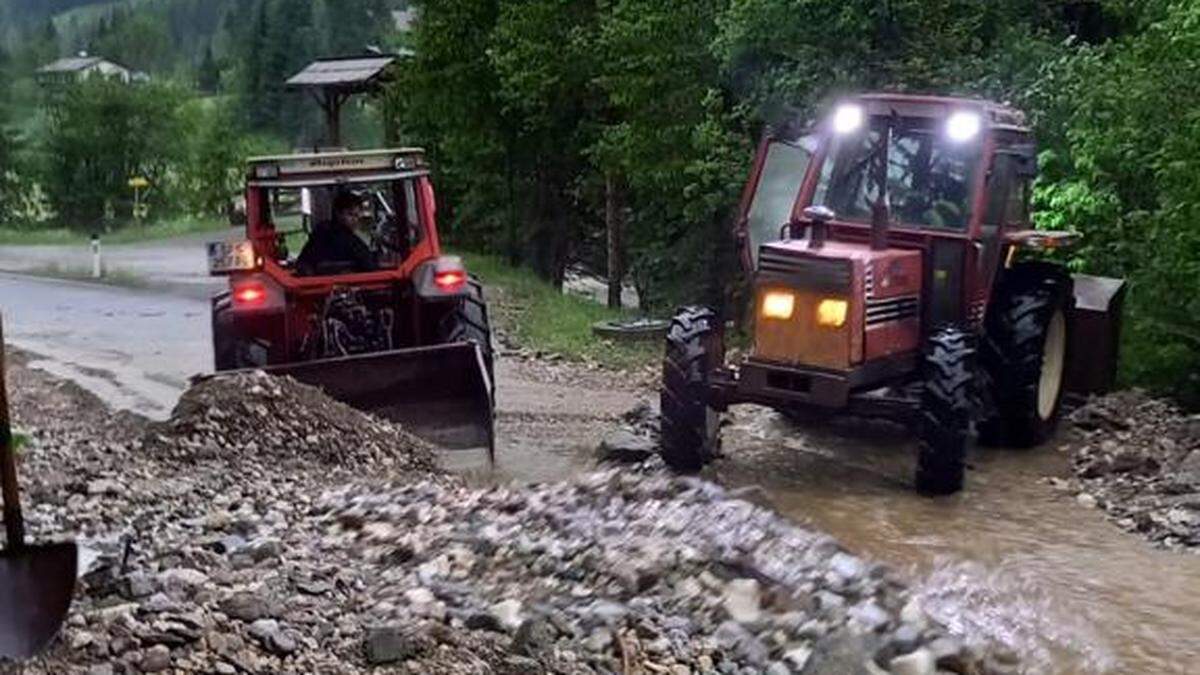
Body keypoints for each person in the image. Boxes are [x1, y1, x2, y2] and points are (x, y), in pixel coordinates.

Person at [295, 190, 378, 275]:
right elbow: (369, 266)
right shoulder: (350, 241)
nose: (354, 220)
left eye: (357, 215)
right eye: (350, 214)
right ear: (338, 213)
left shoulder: (320, 232)